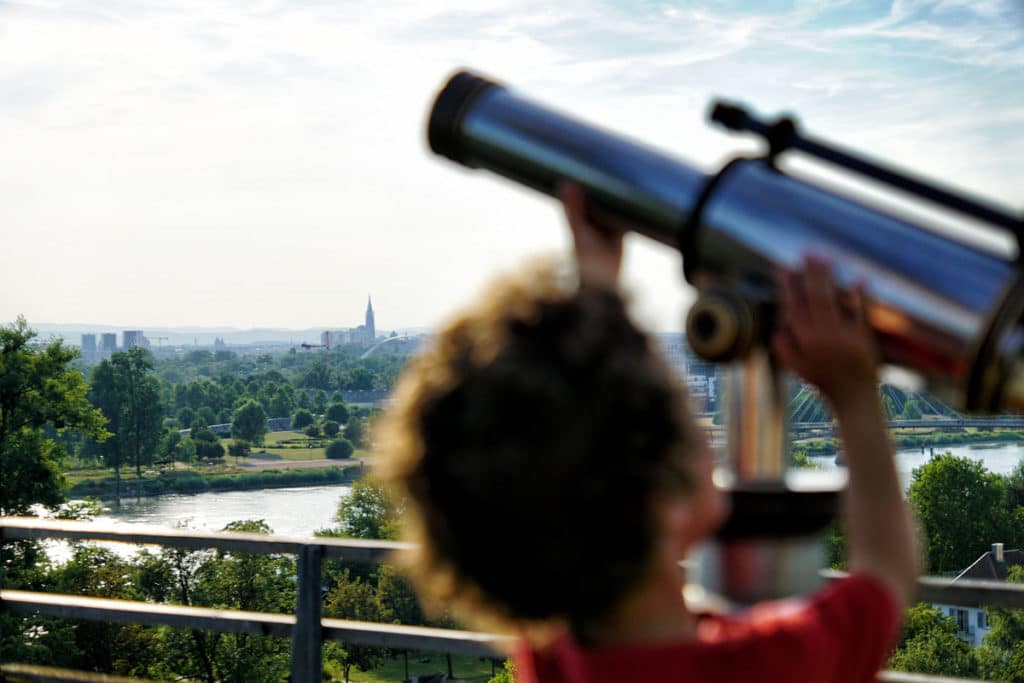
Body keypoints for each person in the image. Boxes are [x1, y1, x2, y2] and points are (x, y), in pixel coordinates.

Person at [381, 184, 919, 682]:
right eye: (689, 426)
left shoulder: (557, 655)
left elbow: (564, 451)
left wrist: (598, 289)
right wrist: (853, 392)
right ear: (664, 499)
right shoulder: (770, 665)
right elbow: (887, 571)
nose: (710, 443)